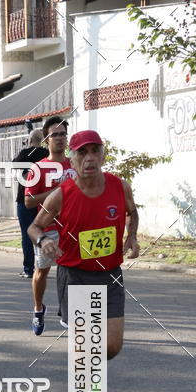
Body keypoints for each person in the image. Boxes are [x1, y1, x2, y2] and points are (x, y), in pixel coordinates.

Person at [29, 129, 139, 359]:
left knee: (112, 346)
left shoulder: (120, 186)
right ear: (73, 159)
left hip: (111, 275)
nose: (89, 157)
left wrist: (132, 236)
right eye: (82, 152)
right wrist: (44, 240)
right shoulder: (62, 194)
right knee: (87, 348)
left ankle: (88, 373)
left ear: (103, 156)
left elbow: (132, 212)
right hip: (76, 276)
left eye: (95, 151)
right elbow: (34, 227)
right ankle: (85, 391)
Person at [25, 116, 77, 335]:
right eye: (54, 134)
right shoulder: (38, 168)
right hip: (48, 229)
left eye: (63, 134)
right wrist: (58, 193)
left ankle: (70, 312)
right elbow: (28, 201)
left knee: (76, 273)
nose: (59, 138)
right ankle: (38, 308)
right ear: (46, 139)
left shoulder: (76, 164)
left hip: (73, 229)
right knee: (42, 272)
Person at [13, 130, 48, 278]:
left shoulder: (25, 152)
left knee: (27, 235)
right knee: (43, 233)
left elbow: (14, 164)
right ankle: (43, 267)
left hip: (25, 198)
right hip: (44, 199)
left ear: (29, 139)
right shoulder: (46, 153)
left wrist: (27, 147)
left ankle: (29, 269)